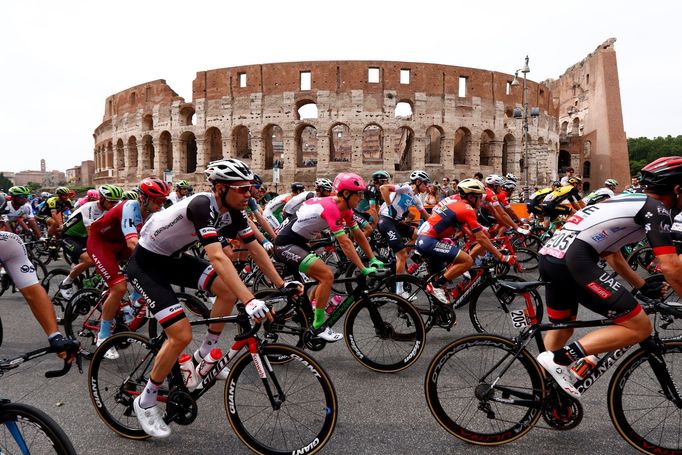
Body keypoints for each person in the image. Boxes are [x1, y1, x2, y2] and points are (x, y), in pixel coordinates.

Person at [126, 159, 274, 438]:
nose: (249, 194)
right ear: (220, 188)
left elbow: (254, 248)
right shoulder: (200, 205)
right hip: (146, 265)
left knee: (227, 291)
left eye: (250, 188)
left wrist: (282, 282)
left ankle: (204, 356)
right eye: (242, 189)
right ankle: (145, 401)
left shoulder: (233, 211)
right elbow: (217, 256)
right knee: (180, 334)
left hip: (172, 260)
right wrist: (250, 299)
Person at [536, 156, 682, 398]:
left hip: (551, 258)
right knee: (639, 326)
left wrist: (642, 284)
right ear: (678, 189)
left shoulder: (628, 199)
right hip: (573, 261)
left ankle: (546, 394)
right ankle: (560, 359)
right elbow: (671, 267)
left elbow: (612, 255)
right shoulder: (656, 210)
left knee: (562, 329)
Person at [274, 172, 383, 342]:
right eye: (359, 194)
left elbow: (359, 234)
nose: (361, 197)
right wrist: (363, 268)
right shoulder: (332, 208)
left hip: (300, 242)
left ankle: (307, 315)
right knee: (326, 275)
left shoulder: (345, 209)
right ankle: (318, 326)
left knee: (319, 279)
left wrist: (373, 259)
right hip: (285, 244)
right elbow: (345, 243)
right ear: (346, 194)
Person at [88, 179, 168, 359]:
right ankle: (103, 338)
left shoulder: (158, 211)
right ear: (143, 198)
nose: (160, 204)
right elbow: (133, 242)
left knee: (149, 268)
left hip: (120, 244)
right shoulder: (130, 206)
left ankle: (131, 304)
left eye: (163, 200)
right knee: (119, 287)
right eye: (157, 200)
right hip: (102, 243)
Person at [416, 179, 515, 304]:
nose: (482, 200)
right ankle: (434, 286)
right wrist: (501, 257)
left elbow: (470, 233)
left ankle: (439, 312)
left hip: (427, 239)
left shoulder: (458, 205)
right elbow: (481, 238)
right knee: (467, 260)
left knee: (443, 275)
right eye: (480, 197)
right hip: (429, 240)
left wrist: (488, 247)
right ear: (471, 197)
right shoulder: (467, 209)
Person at [58, 184, 123, 299]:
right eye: (111, 202)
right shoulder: (89, 207)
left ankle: (93, 281)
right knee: (90, 259)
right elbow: (91, 233)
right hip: (69, 236)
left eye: (116, 202)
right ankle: (66, 283)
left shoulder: (110, 210)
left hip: (83, 237)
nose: (114, 205)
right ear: (101, 199)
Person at [378, 170, 431, 299]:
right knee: (402, 255)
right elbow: (383, 188)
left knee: (418, 236)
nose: (427, 187)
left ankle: (400, 254)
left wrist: (441, 223)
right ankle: (399, 292)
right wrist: (390, 206)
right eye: (425, 184)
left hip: (395, 222)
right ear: (418, 182)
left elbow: (426, 215)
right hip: (386, 220)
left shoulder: (416, 198)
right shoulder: (406, 188)